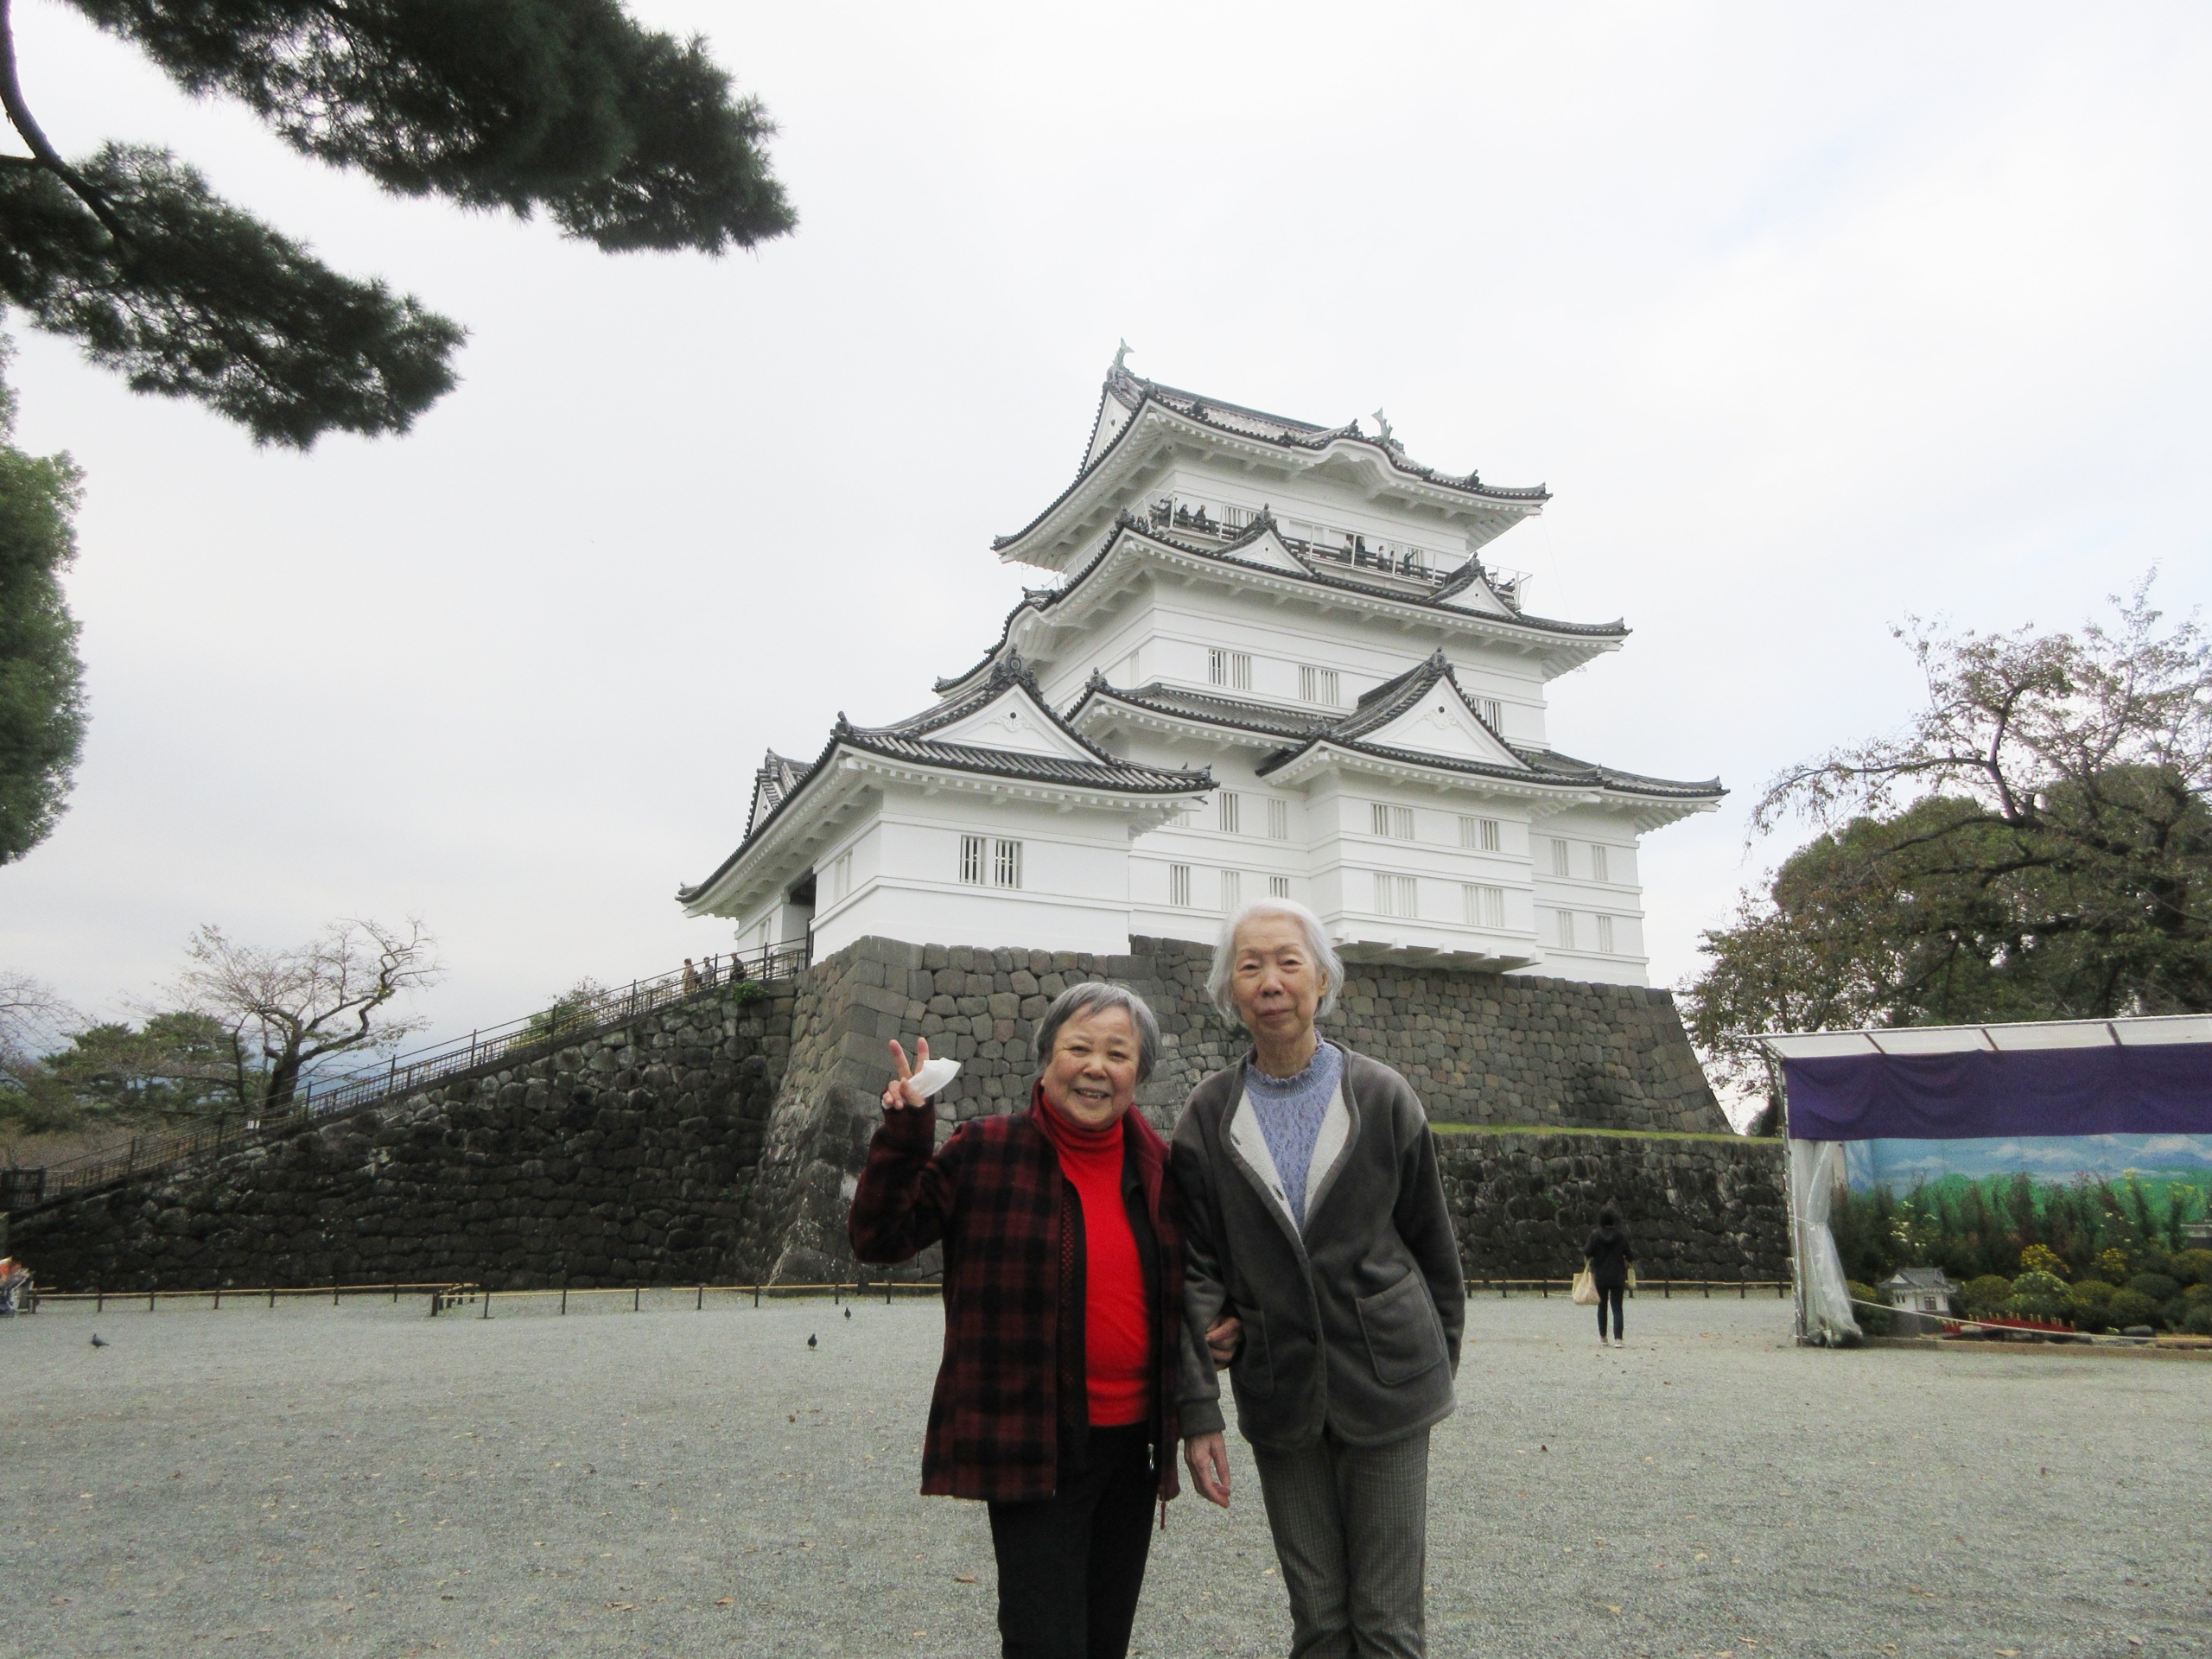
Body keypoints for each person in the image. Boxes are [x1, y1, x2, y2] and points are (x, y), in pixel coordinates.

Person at [850, 982, 1215, 1659]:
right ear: (1045, 1059)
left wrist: (1216, 1373)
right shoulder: (985, 1150)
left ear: (1141, 1073)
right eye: (1078, 1048)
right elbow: (880, 1237)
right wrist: (905, 1133)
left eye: (1118, 1053)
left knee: (1105, 1640)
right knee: (1043, 1640)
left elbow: (1197, 1286)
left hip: (1132, 1446)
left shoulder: (1162, 1169)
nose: (1096, 1067)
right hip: (1033, 1439)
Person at [1175, 899, 1465, 1659]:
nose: (1270, 981)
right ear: (1228, 990)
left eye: (1288, 962)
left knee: (1389, 1624)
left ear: (1323, 979)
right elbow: (1196, 1259)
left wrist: (1429, 1369)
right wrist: (1205, 1364)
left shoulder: (1381, 1095)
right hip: (1280, 1382)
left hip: (1389, 1380)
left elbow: (1433, 1248)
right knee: (1320, 1622)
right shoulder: (1208, 1114)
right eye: (1250, 965)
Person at [1584, 1205, 1635, 1347]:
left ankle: (1603, 1337)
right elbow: (1630, 1256)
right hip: (1618, 1275)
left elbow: (1587, 1251)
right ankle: (1618, 1339)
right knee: (1617, 1306)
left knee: (1602, 1306)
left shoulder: (1595, 1235)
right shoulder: (1621, 1236)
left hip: (1600, 1275)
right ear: (1614, 1220)